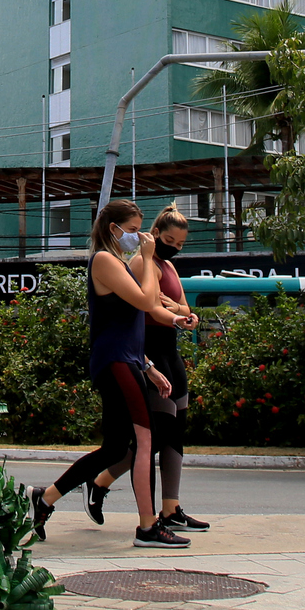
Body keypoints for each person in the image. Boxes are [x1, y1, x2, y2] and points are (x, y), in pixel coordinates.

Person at [28, 200, 190, 549]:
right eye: (133, 231)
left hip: (129, 360)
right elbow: (148, 301)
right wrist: (147, 258)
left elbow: (134, 319)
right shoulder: (104, 260)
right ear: (113, 228)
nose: (139, 237)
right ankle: (148, 526)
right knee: (145, 440)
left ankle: (44, 499)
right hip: (114, 361)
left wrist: (149, 364)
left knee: (116, 447)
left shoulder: (117, 262)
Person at [82, 207, 208, 532]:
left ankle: (170, 507)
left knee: (173, 432)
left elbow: (181, 306)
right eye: (168, 240)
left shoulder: (166, 266)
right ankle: (106, 486)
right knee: (150, 436)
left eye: (180, 244)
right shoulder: (137, 262)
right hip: (145, 351)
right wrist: (167, 307)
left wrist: (176, 309)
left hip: (170, 351)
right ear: (154, 233)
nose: (173, 247)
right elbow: (146, 303)